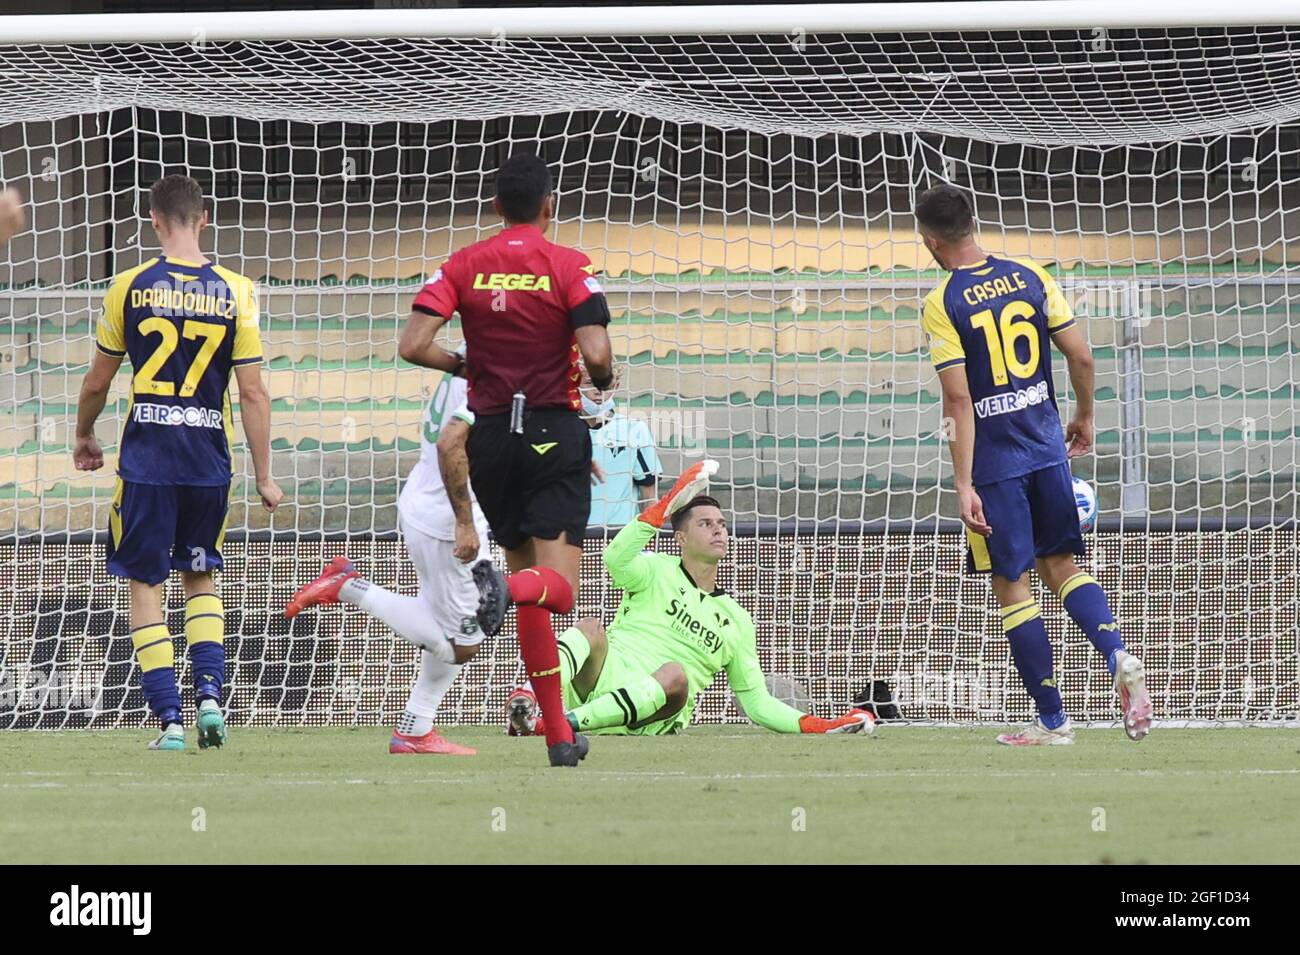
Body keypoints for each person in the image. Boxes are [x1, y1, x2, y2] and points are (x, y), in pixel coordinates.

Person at [914, 183, 1152, 746]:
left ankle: (1053, 722)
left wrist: (963, 480)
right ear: (973, 223)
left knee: (1013, 585)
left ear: (928, 240)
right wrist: (1085, 417)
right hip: (1047, 449)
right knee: (1064, 564)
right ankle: (1117, 652)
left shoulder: (942, 302)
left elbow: (957, 402)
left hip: (996, 464)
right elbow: (1082, 355)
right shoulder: (1030, 274)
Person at [399, 152, 615, 767]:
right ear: (550, 207)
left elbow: (413, 344)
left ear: (496, 206)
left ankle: (557, 737)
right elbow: (596, 358)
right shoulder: (568, 265)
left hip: (489, 436)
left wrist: (464, 364)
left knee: (531, 603)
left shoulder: (464, 264)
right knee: (558, 593)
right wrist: (604, 376)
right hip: (551, 427)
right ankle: (503, 583)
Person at [73, 174, 281, 751]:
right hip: (208, 458)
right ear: (205, 218)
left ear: (155, 221)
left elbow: (98, 379)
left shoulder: (129, 285)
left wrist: (85, 433)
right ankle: (211, 696)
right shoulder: (237, 289)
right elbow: (253, 392)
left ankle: (169, 721)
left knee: (146, 582)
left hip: (147, 459)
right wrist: (264, 475)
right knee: (201, 573)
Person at [503, 461, 877, 738]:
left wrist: (821, 725)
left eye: (722, 524)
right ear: (680, 539)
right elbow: (614, 558)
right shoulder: (654, 568)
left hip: (656, 711)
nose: (718, 530)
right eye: (705, 523)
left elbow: (757, 703)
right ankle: (530, 700)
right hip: (601, 680)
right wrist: (665, 505)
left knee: (675, 673)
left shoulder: (737, 619)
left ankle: (558, 726)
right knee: (589, 628)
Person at [284, 367, 486, 756]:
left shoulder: (471, 354)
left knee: (447, 615)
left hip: (435, 501)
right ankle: (348, 586)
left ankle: (415, 727)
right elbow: (451, 445)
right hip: (448, 515)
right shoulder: (497, 365)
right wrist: (464, 522)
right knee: (464, 641)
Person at [581, 367, 661, 528]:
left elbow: (649, 496)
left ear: (616, 385)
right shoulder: (562, 431)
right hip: (569, 537)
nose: (598, 391)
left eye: (605, 384)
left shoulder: (634, 429)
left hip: (619, 537)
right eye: (590, 383)